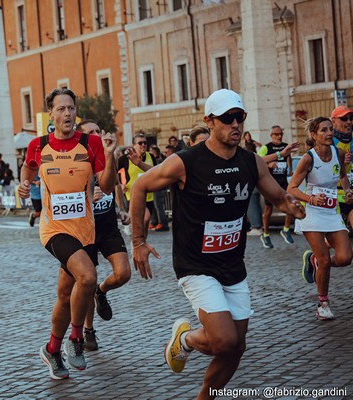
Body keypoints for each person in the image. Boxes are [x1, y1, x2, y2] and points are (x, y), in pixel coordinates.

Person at [130, 89, 305, 399]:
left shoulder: (251, 162)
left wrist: (291, 205)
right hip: (195, 264)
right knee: (223, 341)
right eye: (227, 119)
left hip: (232, 264)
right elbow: (140, 186)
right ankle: (184, 341)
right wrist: (139, 240)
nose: (235, 124)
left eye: (239, 117)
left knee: (236, 346)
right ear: (209, 121)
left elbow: (277, 196)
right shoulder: (185, 162)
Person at [18, 88, 116, 380]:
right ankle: (76, 340)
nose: (67, 114)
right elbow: (28, 169)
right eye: (61, 109)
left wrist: (110, 159)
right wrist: (24, 185)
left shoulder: (91, 143)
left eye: (71, 108)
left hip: (84, 230)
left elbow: (108, 186)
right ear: (51, 114)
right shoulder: (38, 145)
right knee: (87, 276)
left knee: (64, 296)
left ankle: (51, 348)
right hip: (54, 229)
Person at [288, 116, 352, 320]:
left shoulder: (338, 153)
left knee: (345, 258)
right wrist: (311, 198)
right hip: (312, 213)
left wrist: (348, 190)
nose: (329, 133)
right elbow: (292, 188)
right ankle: (323, 304)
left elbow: (342, 175)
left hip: (332, 212)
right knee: (325, 260)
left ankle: (313, 259)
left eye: (331, 129)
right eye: (324, 130)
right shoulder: (308, 158)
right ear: (314, 135)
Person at [76, 119, 131, 352]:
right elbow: (63, 199)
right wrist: (88, 199)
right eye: (91, 132)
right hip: (86, 229)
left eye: (99, 131)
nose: (97, 135)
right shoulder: (77, 163)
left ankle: (102, 291)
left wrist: (122, 209)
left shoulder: (107, 156)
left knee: (124, 273)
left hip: (108, 227)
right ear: (82, 138)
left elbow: (116, 185)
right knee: (85, 281)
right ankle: (88, 330)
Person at [257, 126, 299, 248]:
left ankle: (285, 229)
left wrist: (290, 170)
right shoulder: (267, 147)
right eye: (276, 134)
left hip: (283, 181)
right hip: (270, 182)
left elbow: (288, 158)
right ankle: (265, 234)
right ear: (271, 135)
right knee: (268, 209)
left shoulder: (286, 146)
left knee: (290, 204)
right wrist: (269, 164)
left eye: (280, 134)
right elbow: (258, 159)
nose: (279, 136)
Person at [117, 133, 167, 233]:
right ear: (134, 145)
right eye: (140, 143)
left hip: (149, 196)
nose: (143, 145)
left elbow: (156, 172)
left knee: (145, 221)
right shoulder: (125, 159)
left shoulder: (151, 156)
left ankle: (140, 242)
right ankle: (137, 241)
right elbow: (114, 173)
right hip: (132, 194)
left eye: (145, 142)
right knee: (145, 217)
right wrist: (121, 184)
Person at [330, 106, 353, 228]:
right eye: (344, 119)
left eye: (351, 118)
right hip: (333, 194)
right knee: (338, 237)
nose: (349, 122)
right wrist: (340, 162)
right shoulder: (329, 141)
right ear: (333, 122)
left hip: (349, 192)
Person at [242, 132, 263, 236]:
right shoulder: (252, 157)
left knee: (253, 202)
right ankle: (257, 226)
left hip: (250, 181)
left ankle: (256, 226)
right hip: (253, 180)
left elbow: (261, 146)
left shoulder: (249, 156)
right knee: (255, 202)